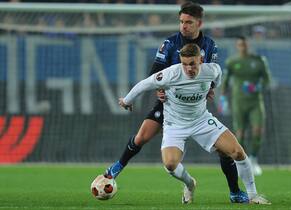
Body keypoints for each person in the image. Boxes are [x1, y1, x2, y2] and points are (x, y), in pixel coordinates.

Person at [105, 1, 249, 203]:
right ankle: (115, 169)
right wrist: (160, 91)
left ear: (199, 23)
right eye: (181, 22)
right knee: (141, 137)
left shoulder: (209, 45)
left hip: (194, 109)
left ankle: (235, 191)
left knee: (225, 152)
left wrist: (210, 89)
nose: (183, 26)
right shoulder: (170, 43)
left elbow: (212, 74)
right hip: (169, 105)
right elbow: (154, 73)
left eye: (188, 22)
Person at [118, 43, 271, 205]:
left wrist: (210, 88)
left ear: (201, 60)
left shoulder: (212, 70)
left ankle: (253, 196)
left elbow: (217, 80)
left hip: (202, 121)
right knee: (170, 164)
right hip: (174, 125)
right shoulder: (171, 74)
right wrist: (127, 100)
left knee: (238, 153)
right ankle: (190, 184)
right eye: (184, 64)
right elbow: (144, 84)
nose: (188, 68)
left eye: (192, 64)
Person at [222, 36, 271, 175]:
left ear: (249, 45)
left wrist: (257, 87)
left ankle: (254, 160)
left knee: (258, 130)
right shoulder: (232, 62)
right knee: (240, 134)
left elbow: (267, 81)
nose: (243, 47)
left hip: (255, 102)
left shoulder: (259, 61)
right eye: (240, 44)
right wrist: (223, 100)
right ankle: (242, 162)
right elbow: (225, 82)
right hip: (239, 102)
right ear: (237, 46)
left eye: (245, 44)